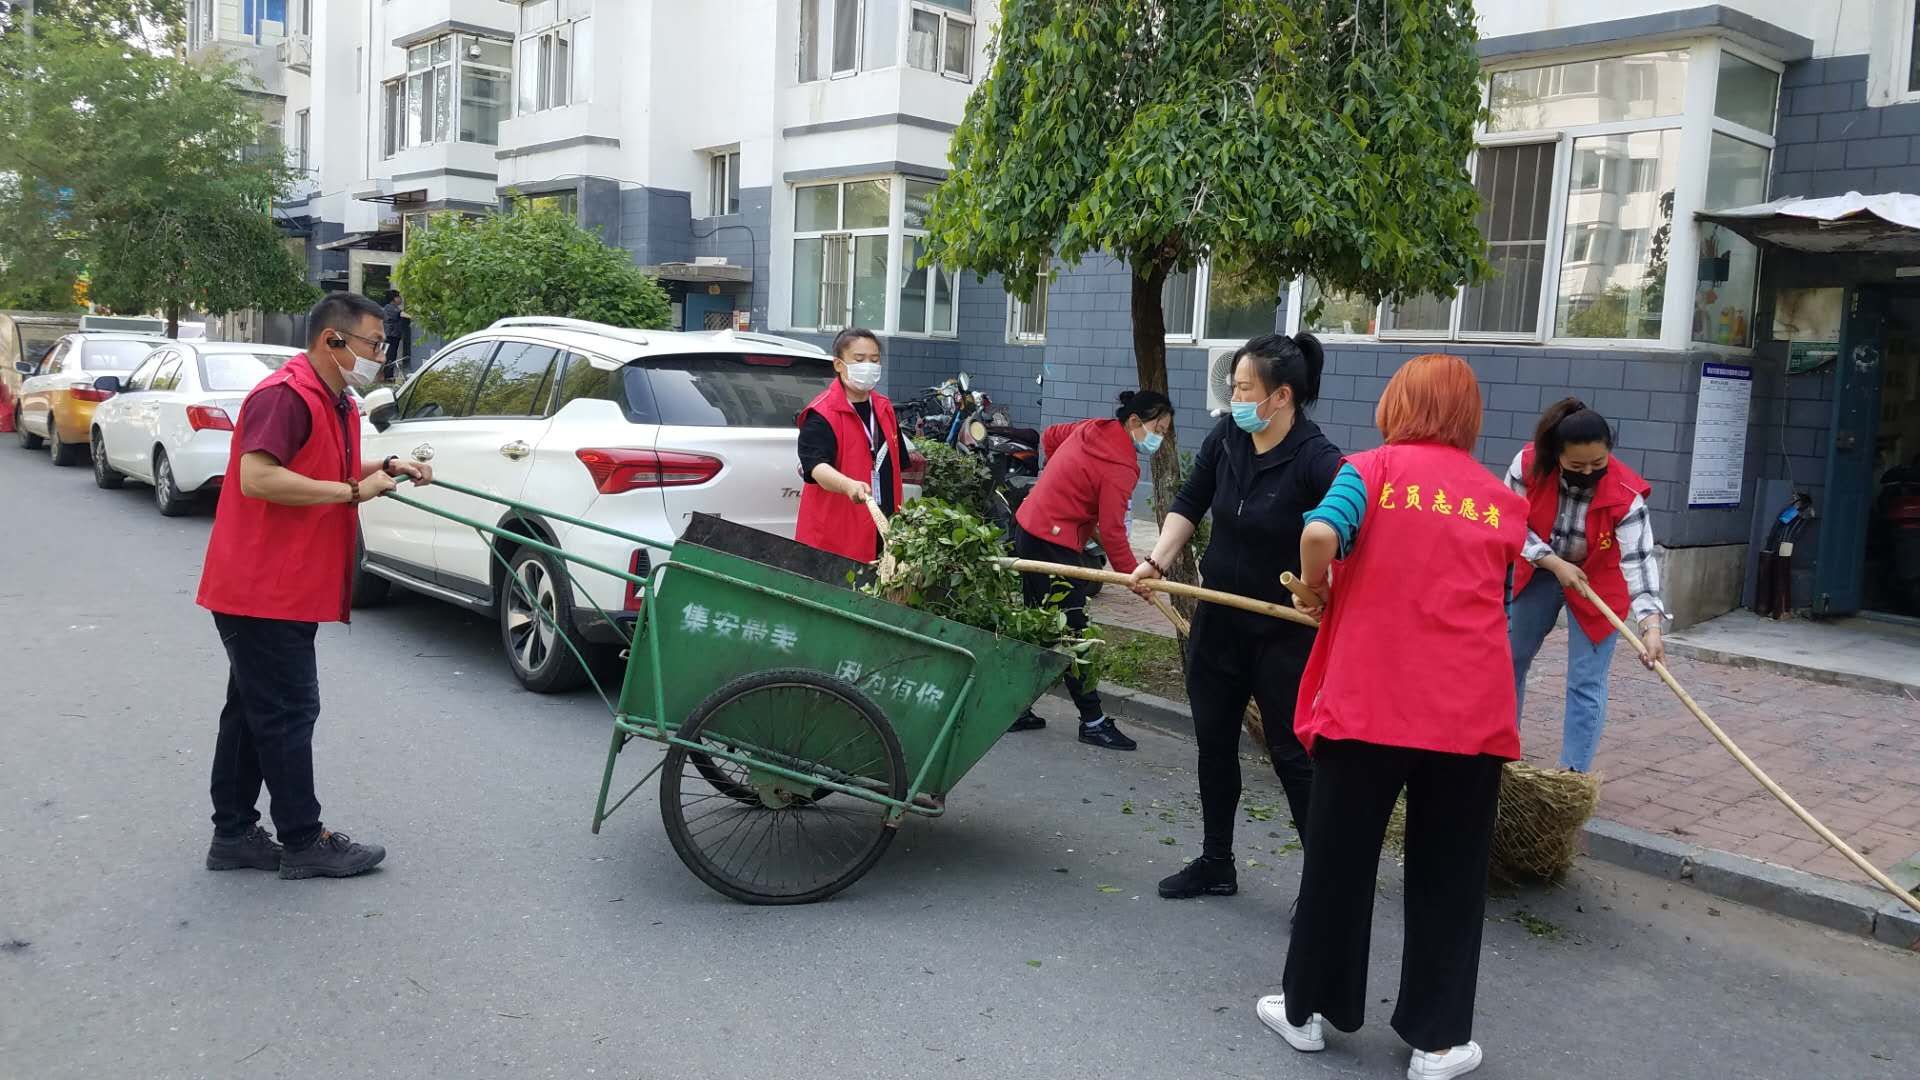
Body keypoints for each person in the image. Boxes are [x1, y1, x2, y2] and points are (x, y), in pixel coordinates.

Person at [1260, 353, 1527, 1080]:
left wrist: (1313, 589)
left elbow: (1321, 535)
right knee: (1450, 877)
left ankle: (1306, 1012)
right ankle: (1437, 1044)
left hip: (1370, 705)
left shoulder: (1370, 471)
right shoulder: (1496, 499)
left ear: (1397, 404)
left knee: (1339, 864)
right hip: (1468, 714)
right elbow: (1496, 597)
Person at [196, 292, 433, 880]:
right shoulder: (284, 396)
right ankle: (303, 840)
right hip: (262, 588)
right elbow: (258, 477)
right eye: (374, 344)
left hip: (284, 585)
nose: (380, 355)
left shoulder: (334, 399)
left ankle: (233, 834)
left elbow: (322, 468)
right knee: (288, 710)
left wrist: (385, 468)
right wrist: (352, 492)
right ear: (333, 340)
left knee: (252, 712)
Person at [1130, 332, 1340, 900]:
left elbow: (1345, 533)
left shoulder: (1318, 459)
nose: (1235, 397)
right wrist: (1156, 561)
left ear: (1282, 396)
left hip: (1282, 632)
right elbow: (1190, 502)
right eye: (1235, 386)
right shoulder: (1228, 437)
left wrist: (1321, 590)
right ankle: (1216, 862)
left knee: (1292, 756)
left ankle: (1324, 892)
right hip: (1219, 617)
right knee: (1215, 743)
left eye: (1245, 388)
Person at [1007, 389, 1176, 750]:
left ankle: (1015, 708)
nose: (1159, 438)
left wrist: (1065, 487)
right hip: (1050, 544)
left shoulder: (1094, 427)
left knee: (1042, 627)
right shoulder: (1122, 466)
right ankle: (1093, 721)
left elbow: (1051, 437)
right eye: (1158, 429)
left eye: (1164, 432)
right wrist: (1134, 577)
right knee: (1073, 631)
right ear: (1135, 421)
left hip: (1029, 528)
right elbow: (1113, 532)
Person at [1505, 398, 1667, 772]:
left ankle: (1572, 774)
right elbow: (1510, 523)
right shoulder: (1527, 465)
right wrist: (1552, 561)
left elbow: (1639, 561)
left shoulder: (1625, 494)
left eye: (1598, 463)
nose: (1589, 472)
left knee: (1586, 679)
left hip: (1598, 579)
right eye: (1577, 466)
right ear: (1556, 455)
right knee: (1509, 658)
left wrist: (1651, 628)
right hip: (1539, 567)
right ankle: (1500, 753)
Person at [796, 327, 913, 562]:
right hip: (835, 538)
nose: (868, 366)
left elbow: (896, 466)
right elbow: (817, 468)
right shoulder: (821, 413)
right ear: (839, 365)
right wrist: (848, 485)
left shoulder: (884, 408)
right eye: (859, 359)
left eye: (874, 360)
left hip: (882, 531)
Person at [380, 290, 410, 380]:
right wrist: (415, 317)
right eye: (398, 297)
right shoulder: (390, 307)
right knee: (390, 356)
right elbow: (401, 314)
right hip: (390, 336)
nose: (400, 299)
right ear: (394, 298)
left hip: (391, 336)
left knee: (389, 356)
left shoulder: (390, 307)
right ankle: (388, 377)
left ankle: (387, 376)